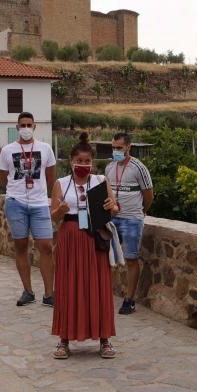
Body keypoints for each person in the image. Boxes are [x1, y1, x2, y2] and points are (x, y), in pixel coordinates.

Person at [49, 133, 120, 359]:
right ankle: (64, 340)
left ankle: (105, 339)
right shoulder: (60, 184)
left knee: (97, 286)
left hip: (94, 237)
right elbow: (54, 217)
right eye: (79, 161)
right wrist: (60, 210)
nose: (83, 165)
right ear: (71, 161)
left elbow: (114, 209)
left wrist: (112, 206)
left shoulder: (100, 182)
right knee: (68, 285)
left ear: (92, 163)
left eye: (87, 161)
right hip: (70, 237)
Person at [0, 112, 57, 307]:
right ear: (17, 127)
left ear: (34, 126)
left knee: (46, 247)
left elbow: (50, 176)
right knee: (21, 246)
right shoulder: (7, 150)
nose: (25, 128)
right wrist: (16, 190)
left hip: (39, 203)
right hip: (16, 203)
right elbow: (3, 176)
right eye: (22, 125)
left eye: (29, 124)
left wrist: (40, 192)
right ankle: (28, 291)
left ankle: (49, 294)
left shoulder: (45, 148)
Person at [106, 132, 153, 315]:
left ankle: (130, 299)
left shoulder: (138, 167)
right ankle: (105, 295)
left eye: (119, 148)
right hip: (112, 218)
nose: (116, 151)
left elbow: (148, 193)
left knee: (131, 259)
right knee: (108, 258)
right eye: (113, 147)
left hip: (132, 218)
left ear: (128, 147)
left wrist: (142, 210)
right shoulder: (110, 167)